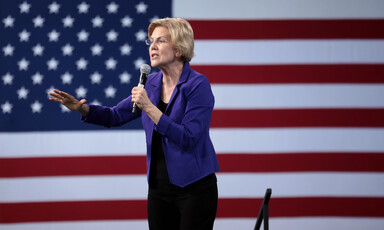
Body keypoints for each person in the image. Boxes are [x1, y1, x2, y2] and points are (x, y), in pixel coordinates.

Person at [49, 17, 220, 230]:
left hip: (194, 189)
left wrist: (149, 107)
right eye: (151, 41)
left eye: (161, 41)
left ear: (178, 49)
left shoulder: (197, 85)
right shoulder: (151, 83)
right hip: (159, 189)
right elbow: (114, 116)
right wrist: (82, 108)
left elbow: (188, 137)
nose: (153, 47)